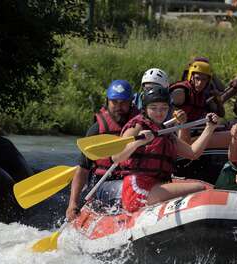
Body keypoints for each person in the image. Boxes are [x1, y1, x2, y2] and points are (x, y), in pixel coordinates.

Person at [111, 85, 220, 213]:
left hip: (157, 186)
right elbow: (116, 157)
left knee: (205, 187)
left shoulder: (164, 132)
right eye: (154, 108)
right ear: (145, 108)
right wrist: (137, 142)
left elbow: (192, 153)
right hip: (138, 189)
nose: (159, 113)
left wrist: (209, 128)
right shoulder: (137, 127)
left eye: (164, 108)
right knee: (200, 188)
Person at [66, 80, 139, 220]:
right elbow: (82, 169)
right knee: (133, 188)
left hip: (134, 179)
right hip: (103, 184)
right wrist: (72, 203)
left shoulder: (141, 123)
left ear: (131, 102)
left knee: (138, 185)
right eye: (114, 102)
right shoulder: (97, 129)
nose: (119, 106)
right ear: (107, 101)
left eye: (123, 102)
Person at [170, 59, 225, 143]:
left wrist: (218, 100)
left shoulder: (202, 94)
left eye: (204, 80)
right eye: (197, 78)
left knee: (224, 127)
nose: (200, 83)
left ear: (208, 81)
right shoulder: (180, 92)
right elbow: (170, 118)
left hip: (192, 129)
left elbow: (221, 114)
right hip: (176, 133)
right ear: (191, 77)